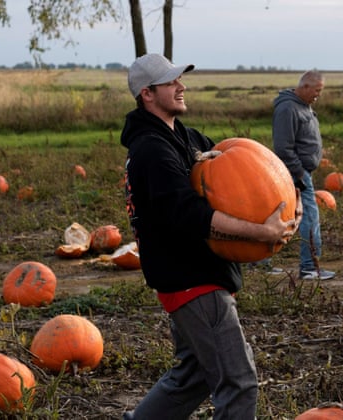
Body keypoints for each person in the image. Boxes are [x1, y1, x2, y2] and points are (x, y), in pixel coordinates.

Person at [120, 53, 297, 420]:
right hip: (191, 280)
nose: (181, 86)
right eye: (171, 82)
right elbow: (191, 216)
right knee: (238, 382)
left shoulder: (183, 138)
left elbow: (242, 175)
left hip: (194, 274)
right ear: (147, 94)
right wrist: (261, 232)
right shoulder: (151, 151)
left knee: (194, 375)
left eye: (179, 79)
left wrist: (285, 201)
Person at [272, 70, 335, 280]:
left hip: (302, 170)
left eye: (321, 91)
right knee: (309, 216)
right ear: (305, 86)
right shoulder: (287, 108)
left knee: (279, 215)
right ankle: (309, 267)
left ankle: (259, 262)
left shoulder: (304, 106)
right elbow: (283, 147)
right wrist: (299, 172)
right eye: (316, 91)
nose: (318, 95)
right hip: (295, 172)